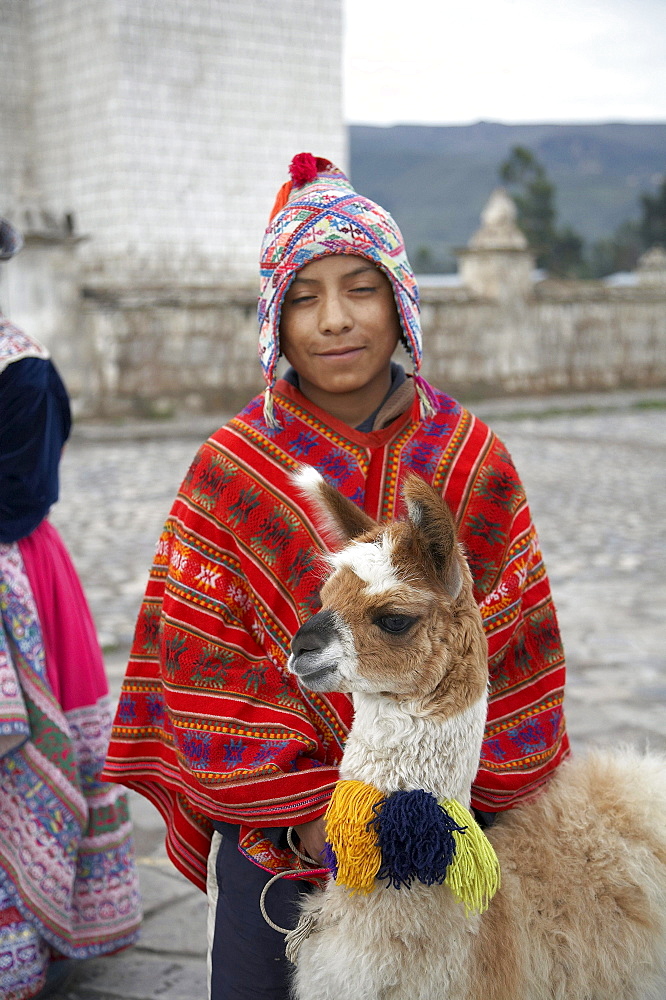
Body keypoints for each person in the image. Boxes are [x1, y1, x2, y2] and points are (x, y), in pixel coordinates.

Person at [103, 154, 570, 999]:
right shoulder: (233, 471)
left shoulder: (472, 465)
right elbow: (205, 662)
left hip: (455, 840)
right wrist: (322, 817)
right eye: (304, 297)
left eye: (360, 287)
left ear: (401, 300)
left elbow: (518, 643)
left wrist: (443, 806)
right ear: (274, 322)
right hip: (284, 849)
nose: (334, 320)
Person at [0, 217, 142, 1000]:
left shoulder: (22, 372)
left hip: (16, 581)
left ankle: (25, 931)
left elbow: (18, 495)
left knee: (22, 764)